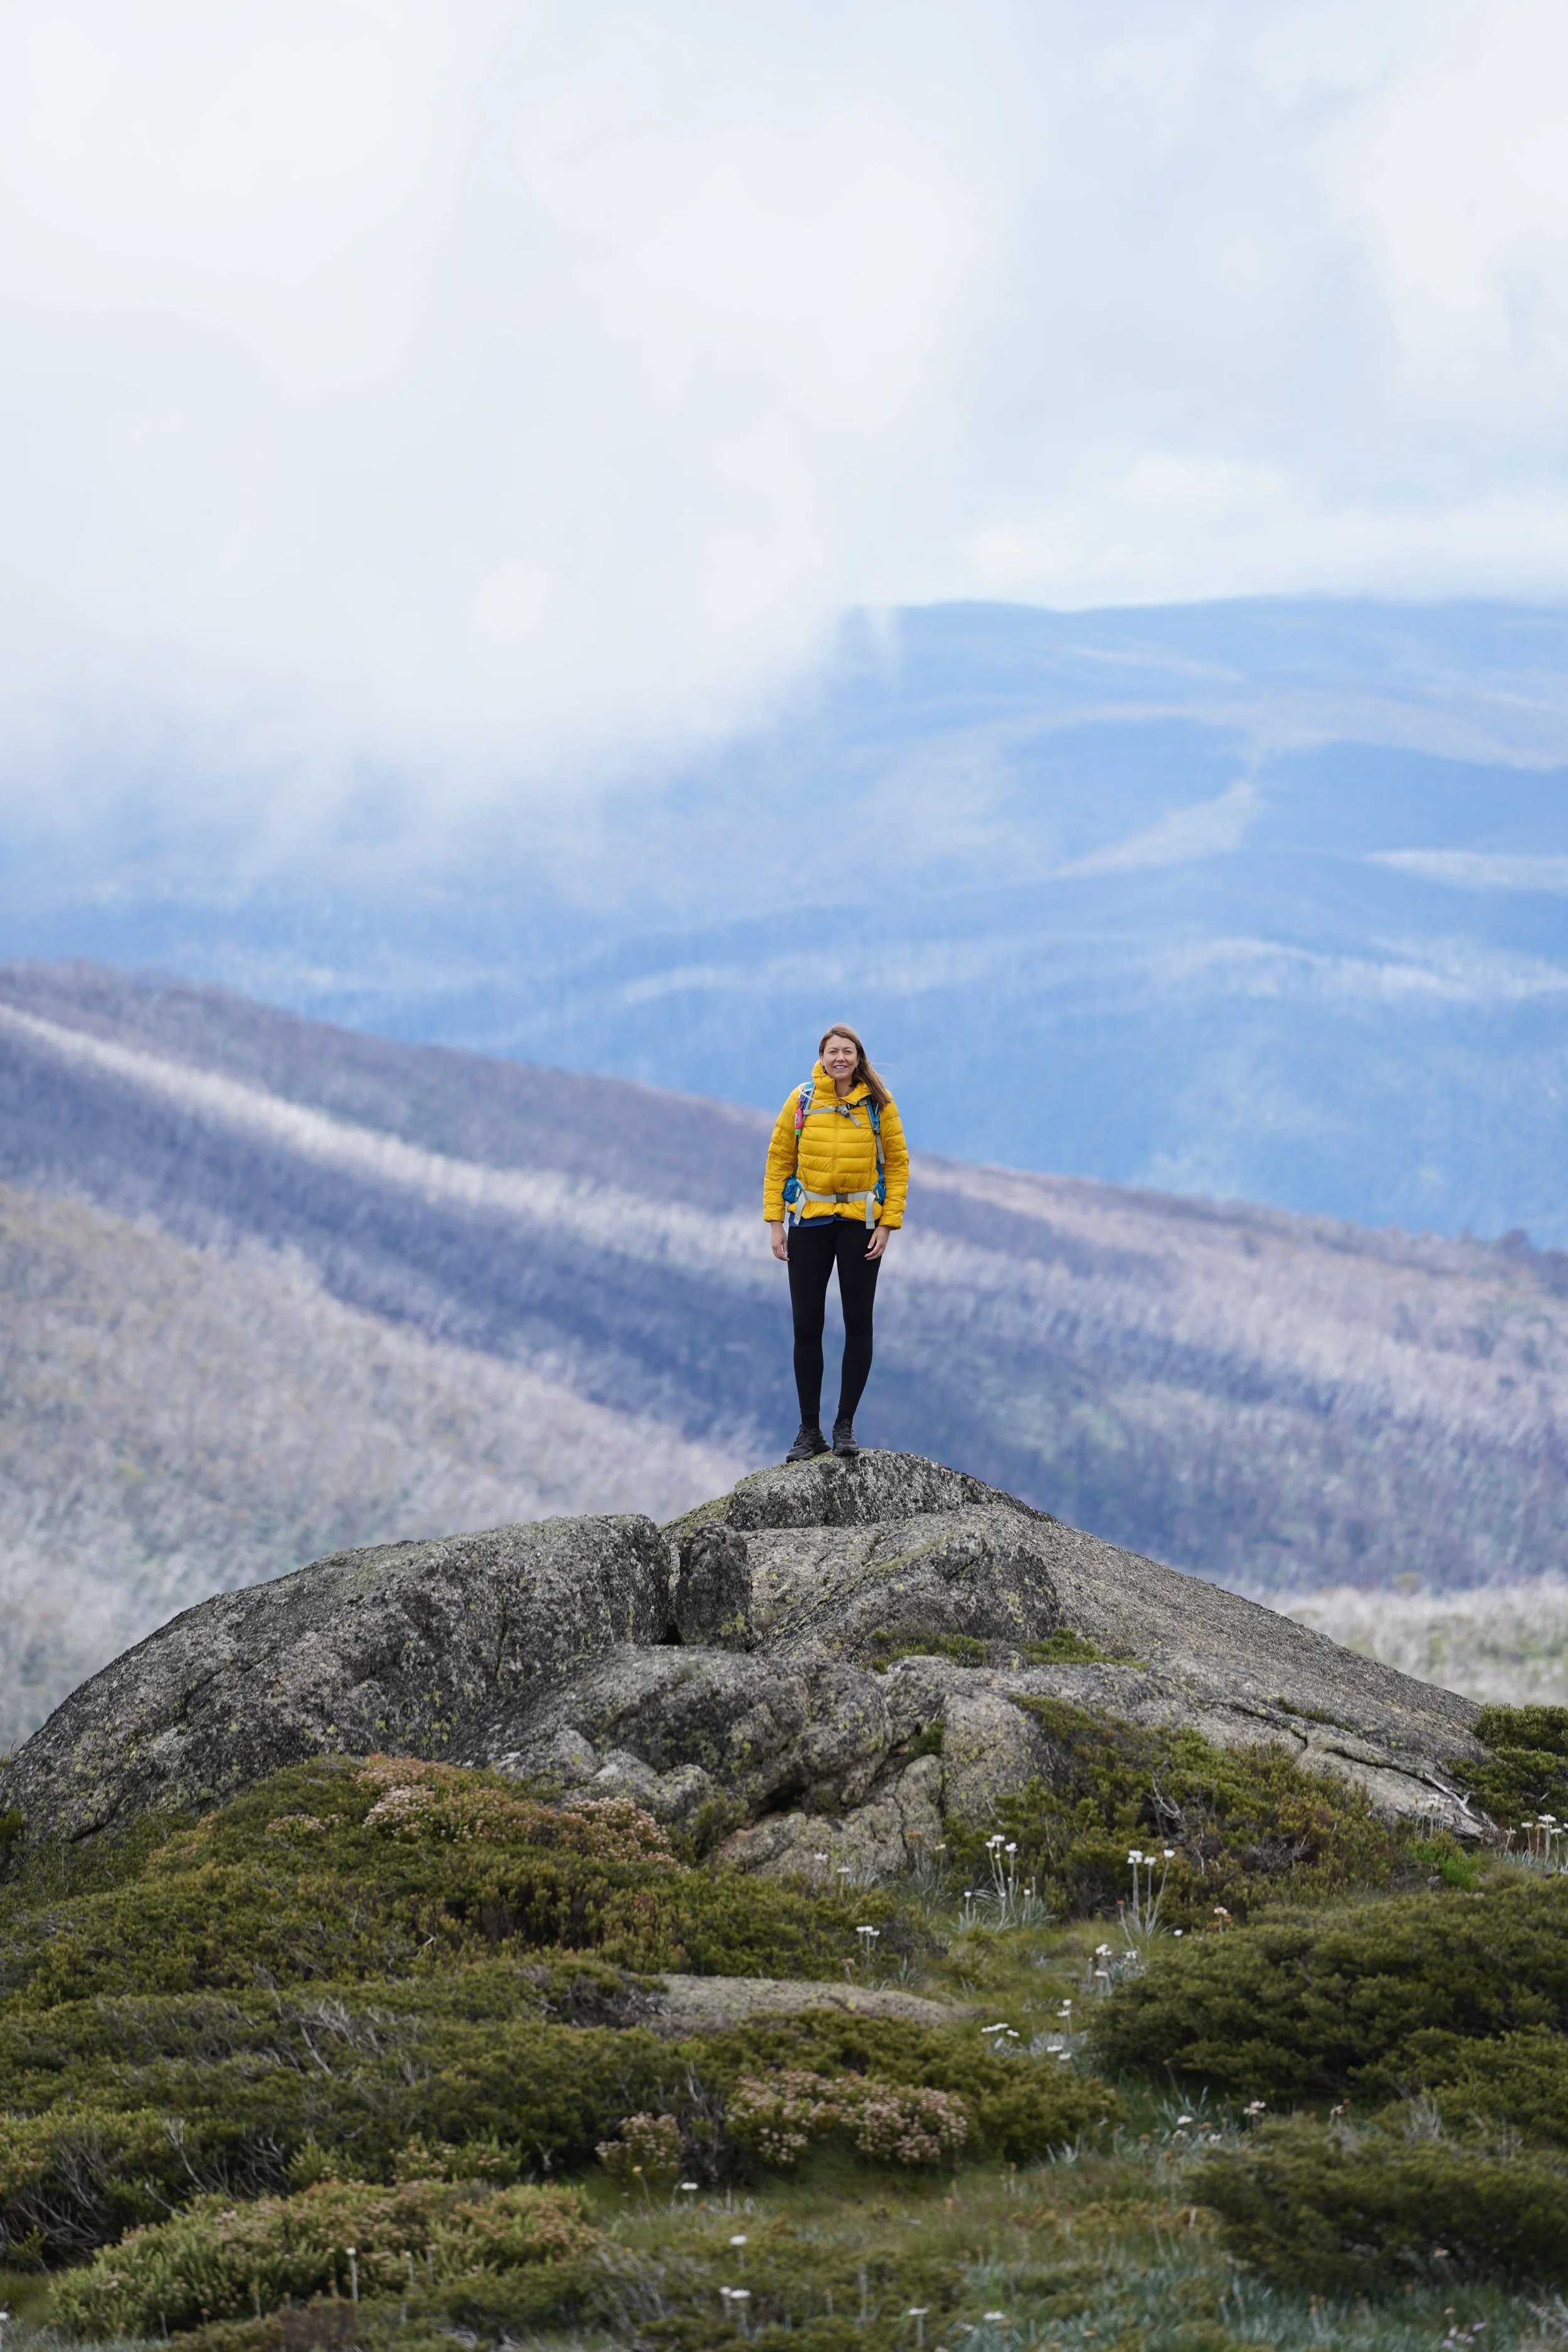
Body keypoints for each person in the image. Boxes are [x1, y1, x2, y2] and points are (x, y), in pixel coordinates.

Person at [764, 1023, 909, 1462]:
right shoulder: (802, 1100)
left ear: (858, 1057)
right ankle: (809, 1430)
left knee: (858, 1322)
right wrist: (775, 1223)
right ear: (822, 1057)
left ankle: (844, 1425)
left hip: (860, 1225)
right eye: (833, 1051)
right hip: (808, 1222)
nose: (840, 1058)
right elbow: (779, 1160)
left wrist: (888, 1224)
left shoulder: (878, 1104)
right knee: (807, 1325)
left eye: (847, 1051)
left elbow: (898, 1164)